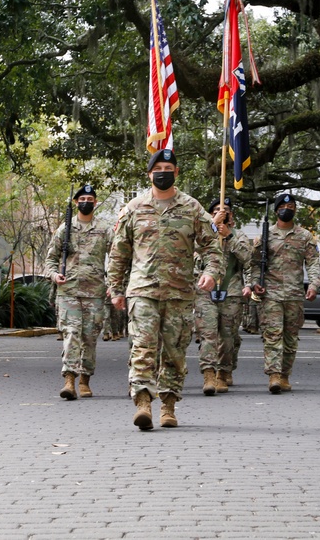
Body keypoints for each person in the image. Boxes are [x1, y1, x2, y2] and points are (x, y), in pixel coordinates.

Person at [108, 149, 224, 430]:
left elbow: (212, 246)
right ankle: (144, 403)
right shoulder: (133, 209)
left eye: (168, 167)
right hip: (142, 292)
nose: (163, 171)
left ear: (176, 172)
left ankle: (168, 406)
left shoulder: (192, 208)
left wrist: (211, 273)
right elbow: (119, 253)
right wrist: (116, 288)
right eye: (157, 167)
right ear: (149, 174)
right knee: (142, 349)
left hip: (179, 294)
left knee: (174, 352)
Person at [47, 184, 113, 400]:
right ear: (76, 202)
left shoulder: (105, 229)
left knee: (89, 338)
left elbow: (117, 257)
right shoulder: (64, 229)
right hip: (69, 291)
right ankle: (69, 380)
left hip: (95, 291)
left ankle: (85, 379)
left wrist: (114, 283)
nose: (86, 201)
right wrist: (55, 275)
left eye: (90, 198)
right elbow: (50, 259)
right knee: (71, 334)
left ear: (95, 202)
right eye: (82, 198)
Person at [250, 193, 320, 394]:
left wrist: (314, 285)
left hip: (294, 294)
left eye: (291, 206)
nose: (288, 209)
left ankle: (284, 375)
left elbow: (313, 262)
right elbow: (255, 264)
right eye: (284, 206)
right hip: (270, 294)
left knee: (290, 337)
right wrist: (255, 283)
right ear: (276, 210)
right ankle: (273, 375)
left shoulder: (304, 236)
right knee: (273, 335)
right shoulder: (265, 236)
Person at [194, 197, 252, 395]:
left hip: (231, 292)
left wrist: (229, 237)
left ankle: (223, 371)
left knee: (228, 337)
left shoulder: (239, 235)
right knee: (208, 334)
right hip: (206, 291)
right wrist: (211, 228)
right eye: (217, 210)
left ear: (231, 215)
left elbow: (248, 258)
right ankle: (209, 374)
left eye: (225, 210)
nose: (221, 212)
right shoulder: (201, 235)